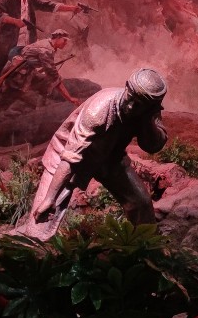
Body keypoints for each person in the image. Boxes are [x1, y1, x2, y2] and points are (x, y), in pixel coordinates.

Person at [19, 68, 170, 237]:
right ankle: (31, 247)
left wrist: (147, 118)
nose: (130, 106)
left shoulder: (148, 110)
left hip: (109, 157)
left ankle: (146, 247)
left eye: (139, 105)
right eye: (131, 98)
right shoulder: (98, 110)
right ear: (127, 87)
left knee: (140, 203)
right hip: (67, 157)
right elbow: (70, 157)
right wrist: (50, 198)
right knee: (42, 220)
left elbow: (152, 146)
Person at [0, 0, 90, 78]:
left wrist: (72, 8)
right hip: (7, 40)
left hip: (27, 41)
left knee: (23, 71)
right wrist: (14, 21)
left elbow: (47, 5)